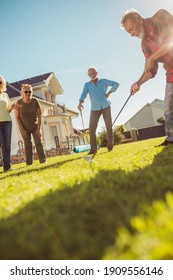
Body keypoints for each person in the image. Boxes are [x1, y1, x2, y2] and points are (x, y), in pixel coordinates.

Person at [121, 8, 173, 146]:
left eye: (131, 29)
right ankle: (171, 139)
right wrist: (138, 83)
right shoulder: (145, 45)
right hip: (171, 73)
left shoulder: (161, 16)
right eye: (128, 32)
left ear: (139, 19)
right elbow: (151, 70)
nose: (132, 34)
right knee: (168, 107)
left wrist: (152, 58)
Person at [77, 66, 119, 154]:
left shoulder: (103, 81)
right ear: (88, 75)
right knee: (92, 128)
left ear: (97, 73)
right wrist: (80, 103)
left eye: (94, 73)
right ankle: (93, 149)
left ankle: (110, 146)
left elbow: (116, 84)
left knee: (109, 126)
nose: (92, 75)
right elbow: (84, 94)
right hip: (94, 109)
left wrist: (109, 92)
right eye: (90, 73)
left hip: (106, 106)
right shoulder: (87, 85)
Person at [15, 84, 46, 165]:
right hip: (24, 128)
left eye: (30, 92)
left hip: (35, 127)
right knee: (27, 145)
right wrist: (22, 129)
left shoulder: (35, 101)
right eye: (26, 92)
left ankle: (43, 161)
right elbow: (17, 118)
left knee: (38, 142)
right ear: (22, 92)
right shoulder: (18, 102)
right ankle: (29, 164)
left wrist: (38, 129)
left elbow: (39, 116)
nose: (28, 93)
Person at [0, 75, 17, 172]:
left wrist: (12, 107)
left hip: (7, 121)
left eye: (0, 82)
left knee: (7, 144)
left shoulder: (5, 95)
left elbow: (8, 109)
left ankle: (7, 167)